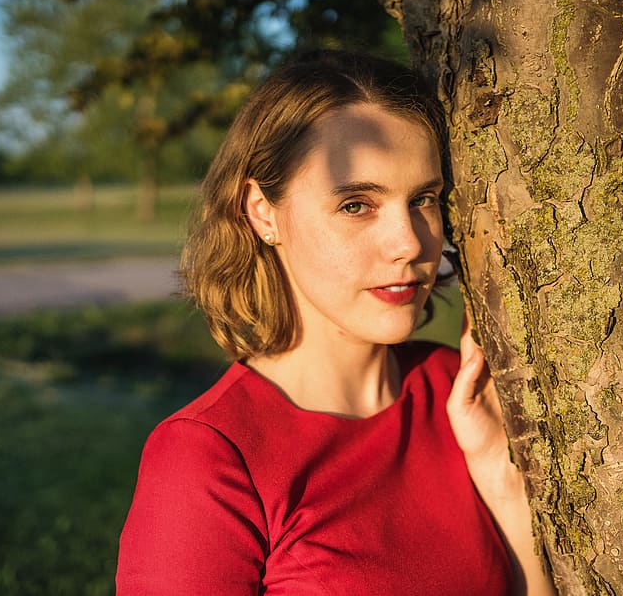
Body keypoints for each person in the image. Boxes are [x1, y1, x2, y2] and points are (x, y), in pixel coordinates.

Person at [116, 50, 554, 596]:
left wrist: (498, 476)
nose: (410, 243)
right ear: (263, 212)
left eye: (424, 199)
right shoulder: (207, 456)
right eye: (356, 205)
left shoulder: (458, 392)